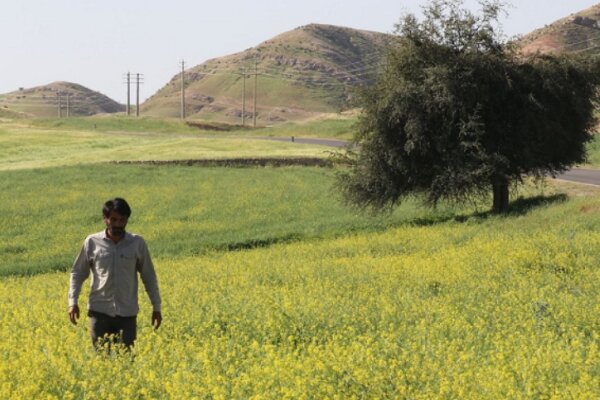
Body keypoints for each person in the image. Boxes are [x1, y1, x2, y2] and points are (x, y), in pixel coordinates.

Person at [68, 198, 162, 350]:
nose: (118, 224)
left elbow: (149, 276)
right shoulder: (92, 242)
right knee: (101, 361)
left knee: (126, 363)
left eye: (122, 220)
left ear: (127, 220)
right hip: (99, 313)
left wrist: (156, 307)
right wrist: (73, 302)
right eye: (113, 219)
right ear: (105, 219)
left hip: (127, 314)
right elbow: (78, 273)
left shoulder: (137, 243)